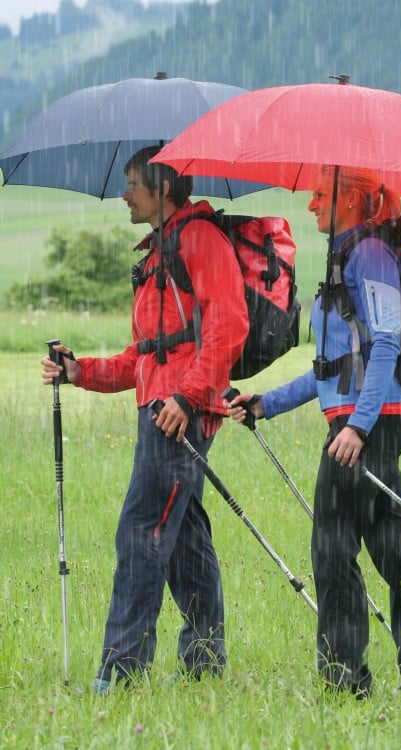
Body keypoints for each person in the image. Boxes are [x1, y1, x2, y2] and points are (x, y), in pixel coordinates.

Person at [225, 165, 401, 698]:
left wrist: (358, 427)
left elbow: (387, 345)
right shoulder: (345, 253)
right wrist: (267, 404)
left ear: (349, 198)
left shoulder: (369, 253)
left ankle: (346, 681)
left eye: (319, 195)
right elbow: (331, 367)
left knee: (332, 550)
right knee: (394, 551)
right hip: (364, 421)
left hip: (366, 426)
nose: (309, 206)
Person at [41, 145, 249, 693]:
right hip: (161, 410)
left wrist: (187, 396)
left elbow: (229, 325)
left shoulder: (200, 239)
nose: (125, 194)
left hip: (178, 415)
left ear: (163, 188)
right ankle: (205, 663)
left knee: (141, 533)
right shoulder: (160, 251)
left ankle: (121, 672)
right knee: (183, 542)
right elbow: (142, 358)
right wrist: (77, 370)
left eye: (133, 183)